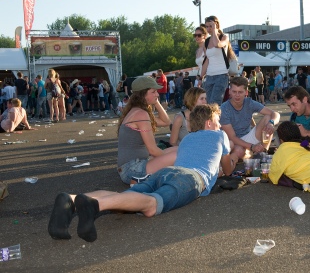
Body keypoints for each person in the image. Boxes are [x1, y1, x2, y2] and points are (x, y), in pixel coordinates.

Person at [48, 104, 231, 242]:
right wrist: (228, 165)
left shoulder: (188, 139)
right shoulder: (219, 135)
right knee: (151, 205)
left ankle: (71, 200)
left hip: (167, 172)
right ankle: (94, 206)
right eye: (218, 121)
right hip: (190, 179)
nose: (220, 124)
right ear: (209, 123)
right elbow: (227, 167)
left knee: (127, 197)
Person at [116, 76, 177, 185]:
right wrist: (169, 159)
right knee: (177, 155)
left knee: (177, 149)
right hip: (132, 169)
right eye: (153, 92)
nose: (157, 94)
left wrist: (156, 102)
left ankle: (146, 179)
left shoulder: (137, 110)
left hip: (133, 166)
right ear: (142, 94)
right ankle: (142, 180)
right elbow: (152, 150)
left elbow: (166, 122)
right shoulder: (141, 114)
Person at [220, 76, 280, 167]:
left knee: (268, 117)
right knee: (239, 152)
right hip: (234, 141)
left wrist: (272, 123)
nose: (237, 95)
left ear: (246, 92)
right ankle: (250, 153)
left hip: (249, 136)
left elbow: (275, 113)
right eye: (234, 92)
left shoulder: (249, 103)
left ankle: (262, 152)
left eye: (240, 92)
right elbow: (232, 137)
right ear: (229, 92)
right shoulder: (224, 109)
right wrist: (252, 146)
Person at [201, 16, 237, 105]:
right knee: (207, 103)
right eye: (207, 26)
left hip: (221, 75)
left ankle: (216, 119)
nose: (208, 29)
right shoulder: (207, 41)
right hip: (209, 75)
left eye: (210, 26)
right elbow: (207, 59)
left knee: (215, 103)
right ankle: (212, 119)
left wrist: (214, 32)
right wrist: (201, 75)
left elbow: (218, 44)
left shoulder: (224, 37)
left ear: (216, 25)